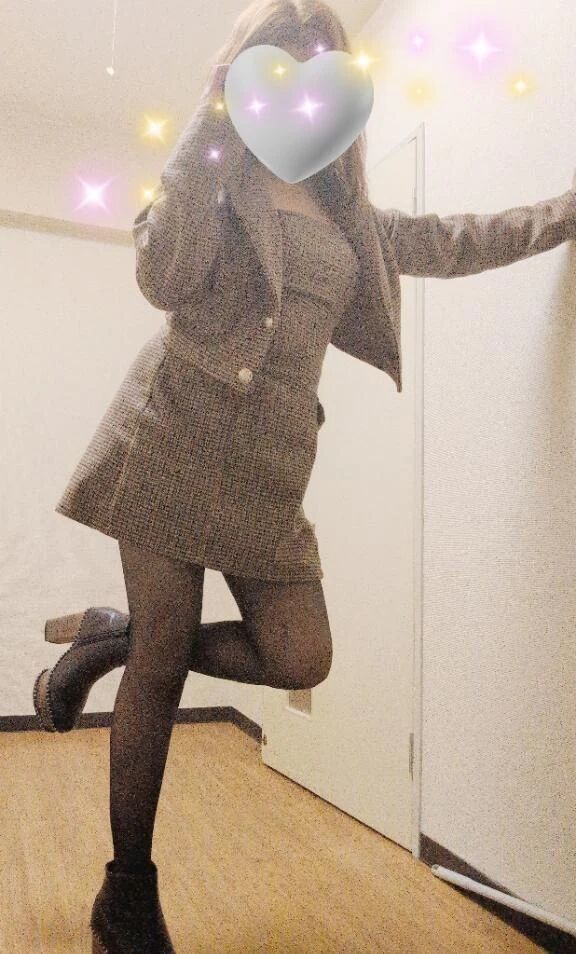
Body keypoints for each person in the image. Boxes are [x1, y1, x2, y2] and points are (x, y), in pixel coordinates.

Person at [33, 0, 576, 951]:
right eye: (273, 64)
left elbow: (455, 239)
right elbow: (161, 276)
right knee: (164, 663)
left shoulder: (350, 216)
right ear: (249, 78)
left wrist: (565, 213)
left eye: (315, 66)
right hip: (170, 438)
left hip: (269, 470)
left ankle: (111, 640)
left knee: (299, 656)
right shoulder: (214, 182)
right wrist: (213, 111)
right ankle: (126, 894)